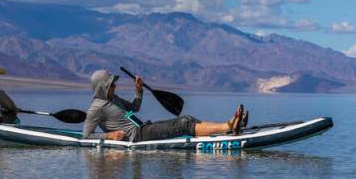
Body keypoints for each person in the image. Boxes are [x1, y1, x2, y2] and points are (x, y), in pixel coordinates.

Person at [82, 69, 247, 142]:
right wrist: (108, 136)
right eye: (111, 84)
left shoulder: (114, 99)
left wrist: (138, 90)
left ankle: (229, 126)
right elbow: (86, 136)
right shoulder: (96, 108)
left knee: (187, 118)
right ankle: (228, 126)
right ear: (102, 87)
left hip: (144, 128)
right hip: (136, 137)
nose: (114, 86)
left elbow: (134, 108)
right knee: (182, 124)